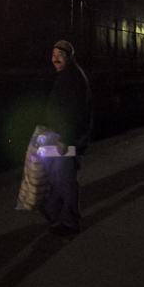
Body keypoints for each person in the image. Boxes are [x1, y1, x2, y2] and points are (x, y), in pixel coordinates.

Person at [43, 40, 92, 237]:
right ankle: (56, 215)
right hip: (63, 136)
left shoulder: (71, 78)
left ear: (69, 56)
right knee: (58, 177)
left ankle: (70, 222)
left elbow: (72, 112)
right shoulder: (69, 75)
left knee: (66, 180)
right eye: (54, 53)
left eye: (60, 54)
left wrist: (64, 138)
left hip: (67, 139)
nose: (55, 58)